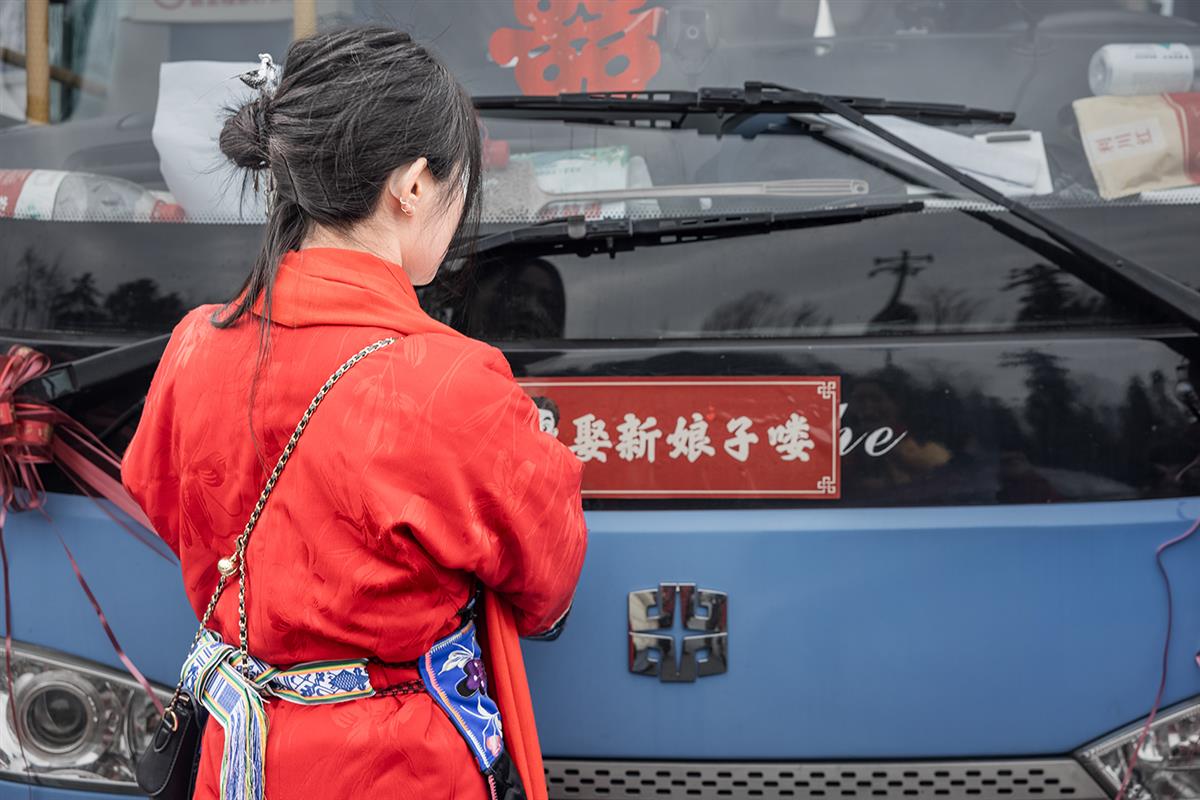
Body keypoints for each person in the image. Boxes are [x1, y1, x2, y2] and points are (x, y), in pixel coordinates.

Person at [121, 28, 587, 800]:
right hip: (396, 768)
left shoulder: (195, 344)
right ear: (412, 186)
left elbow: (165, 502)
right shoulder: (454, 381)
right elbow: (547, 585)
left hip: (234, 758)